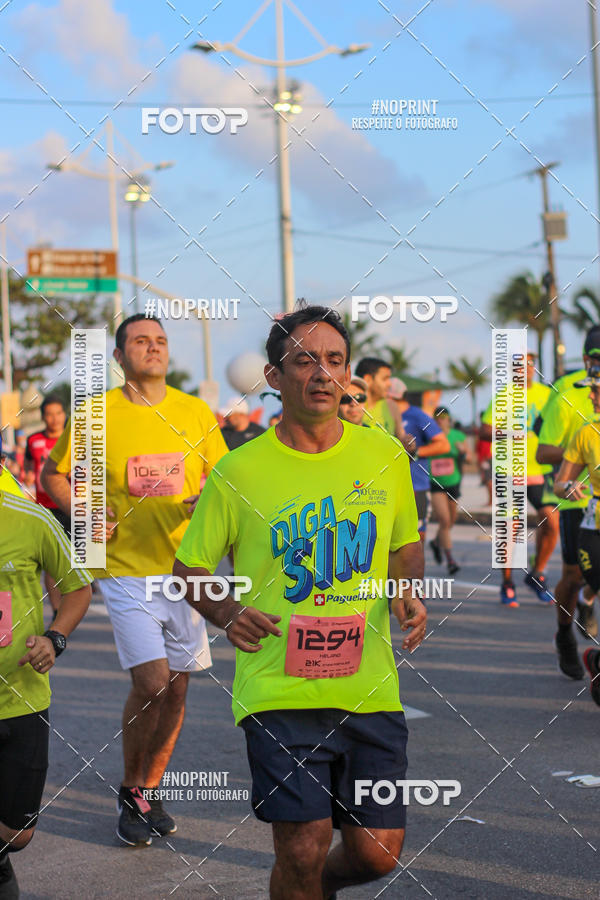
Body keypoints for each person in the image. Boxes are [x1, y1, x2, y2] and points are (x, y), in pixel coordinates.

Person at [174, 303, 427, 900]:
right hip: (276, 688)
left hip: (368, 687)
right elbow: (190, 566)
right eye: (304, 361)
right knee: (303, 844)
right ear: (274, 377)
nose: (322, 373)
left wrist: (406, 595)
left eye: (334, 360)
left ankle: (318, 886)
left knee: (376, 855)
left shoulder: (385, 457)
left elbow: (404, 547)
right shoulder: (239, 471)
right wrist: (228, 611)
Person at [41, 313, 229, 847]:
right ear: (120, 357)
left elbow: (223, 477)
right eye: (141, 341)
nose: (154, 348)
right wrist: (82, 505)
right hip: (123, 568)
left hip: (186, 568)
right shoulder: (95, 414)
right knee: (153, 683)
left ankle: (149, 788)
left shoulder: (195, 413)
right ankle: (129, 788)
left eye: (161, 341)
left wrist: (208, 498)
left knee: (179, 687)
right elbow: (52, 474)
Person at [0, 431, 93, 897]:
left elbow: (78, 588)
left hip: (20, 698)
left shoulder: (30, 518)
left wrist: (55, 639)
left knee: (18, 833)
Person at [537, 326, 600, 677]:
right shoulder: (567, 391)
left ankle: (590, 599)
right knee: (573, 575)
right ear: (588, 359)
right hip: (579, 499)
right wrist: (586, 449)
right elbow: (544, 451)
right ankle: (564, 634)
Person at [481, 351, 559, 607]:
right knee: (511, 529)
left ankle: (537, 574)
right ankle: (507, 582)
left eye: (529, 365)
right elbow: (485, 430)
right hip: (509, 469)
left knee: (552, 522)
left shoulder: (547, 395)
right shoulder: (504, 396)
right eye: (520, 365)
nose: (525, 369)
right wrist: (509, 432)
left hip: (539, 469)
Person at [554, 362, 600, 703]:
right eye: (591, 389)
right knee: (573, 578)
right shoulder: (587, 433)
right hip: (593, 527)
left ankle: (595, 659)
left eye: (598, 389)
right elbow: (559, 482)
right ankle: (567, 636)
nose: (593, 396)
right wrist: (567, 487)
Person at [387, 378, 450, 540]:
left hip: (415, 486)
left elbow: (443, 445)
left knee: (415, 539)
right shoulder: (380, 417)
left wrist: (412, 453)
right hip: (387, 487)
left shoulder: (416, 415)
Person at [25, 395, 69, 619]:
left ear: (64, 414)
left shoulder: (75, 438)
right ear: (43, 417)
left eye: (58, 413)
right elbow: (28, 472)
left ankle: (76, 603)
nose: (53, 419)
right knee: (51, 564)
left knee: (78, 560)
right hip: (46, 509)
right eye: (49, 414)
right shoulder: (33, 441)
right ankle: (57, 610)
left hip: (73, 507)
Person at [428, 407, 471, 575]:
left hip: (453, 482)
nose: (440, 420)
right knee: (444, 521)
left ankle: (436, 543)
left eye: (443, 417)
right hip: (435, 483)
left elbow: (469, 459)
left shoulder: (457, 436)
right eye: (437, 417)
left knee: (451, 521)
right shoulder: (429, 436)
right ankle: (450, 560)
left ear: (449, 419)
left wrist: (462, 453)